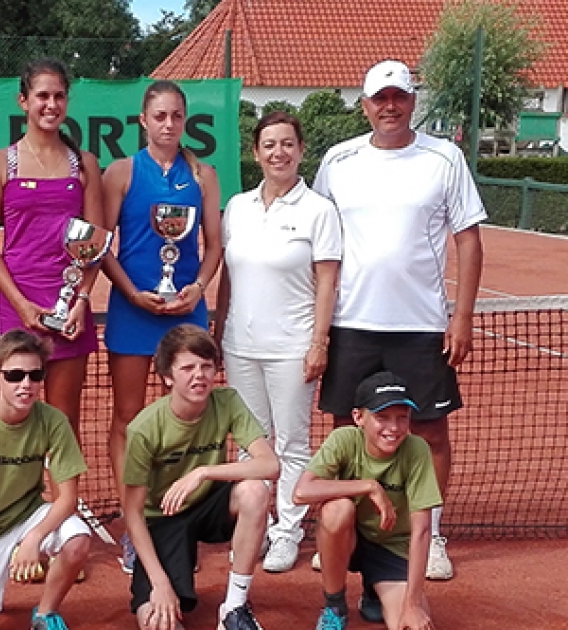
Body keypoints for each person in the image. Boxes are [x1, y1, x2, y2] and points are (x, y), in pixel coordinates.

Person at [312, 59, 486, 581]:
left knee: (430, 433)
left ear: (412, 101)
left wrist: (463, 318)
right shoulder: (338, 161)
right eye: (379, 98)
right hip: (351, 323)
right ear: (364, 105)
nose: (390, 106)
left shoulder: (445, 158)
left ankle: (427, 535)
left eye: (399, 97)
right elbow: (319, 241)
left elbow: (469, 239)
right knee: (348, 432)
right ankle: (342, 531)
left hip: (422, 325)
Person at [102, 80, 222, 572]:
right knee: (129, 416)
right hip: (133, 311)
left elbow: (213, 246)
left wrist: (196, 288)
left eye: (176, 116)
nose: (168, 124)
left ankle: (179, 522)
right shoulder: (121, 172)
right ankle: (136, 525)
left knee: (189, 417)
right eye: (159, 116)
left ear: (184, 120)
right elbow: (101, 246)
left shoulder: (204, 175)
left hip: (185, 313)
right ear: (143, 121)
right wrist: (132, 293)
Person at [213, 111, 341, 573]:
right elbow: (228, 275)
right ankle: (256, 526)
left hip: (293, 347)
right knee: (253, 445)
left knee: (290, 443)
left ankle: (287, 530)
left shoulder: (319, 210)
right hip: (240, 345)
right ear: (256, 153)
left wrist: (319, 342)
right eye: (269, 145)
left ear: (300, 150)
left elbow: (327, 282)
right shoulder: (238, 207)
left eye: (287, 144)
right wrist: (220, 326)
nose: (278, 153)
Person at [0, 58, 103, 440]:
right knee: (13, 422)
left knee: (64, 425)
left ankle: (59, 501)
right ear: (23, 101)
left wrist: (80, 300)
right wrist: (20, 303)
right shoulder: (0, 164)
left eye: (59, 96)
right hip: (16, 306)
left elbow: (95, 241)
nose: (51, 104)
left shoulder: (85, 165)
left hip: (69, 310)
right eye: (42, 95)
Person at [123, 324, 279, 630]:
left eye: (207, 366)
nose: (199, 375)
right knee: (157, 622)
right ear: (168, 376)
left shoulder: (228, 401)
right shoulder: (143, 429)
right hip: (163, 519)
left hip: (207, 504)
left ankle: (234, 609)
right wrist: (160, 583)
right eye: (188, 368)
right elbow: (132, 513)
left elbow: (270, 465)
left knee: (255, 492)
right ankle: (164, 587)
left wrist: (203, 472)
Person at [0, 330, 90, 629]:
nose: (26, 385)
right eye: (14, 376)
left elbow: (67, 498)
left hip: (29, 515)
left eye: (35, 375)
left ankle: (45, 613)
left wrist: (34, 537)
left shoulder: (53, 421)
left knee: (77, 540)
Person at [293, 371, 441, 630]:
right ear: (358, 417)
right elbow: (301, 492)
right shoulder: (344, 440)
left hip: (392, 548)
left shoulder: (417, 450)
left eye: (402, 418)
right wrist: (369, 487)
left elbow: (422, 530)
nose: (393, 428)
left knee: (411, 627)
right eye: (382, 417)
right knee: (337, 510)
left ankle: (374, 591)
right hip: (348, 538)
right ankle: (335, 606)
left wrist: (413, 604)